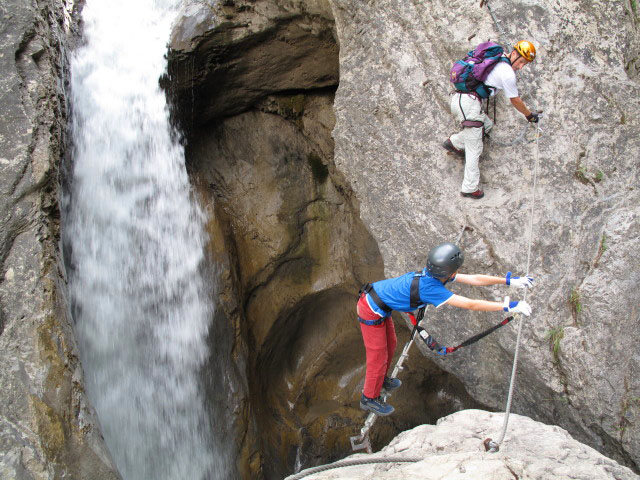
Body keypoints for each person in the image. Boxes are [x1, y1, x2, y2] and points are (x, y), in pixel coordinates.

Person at [357, 242, 533, 416]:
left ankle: (381, 380)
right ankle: (369, 398)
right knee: (378, 355)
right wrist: (507, 307)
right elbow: (470, 304)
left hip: (380, 301)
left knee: (392, 343)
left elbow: (475, 279)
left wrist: (511, 281)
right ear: (450, 270)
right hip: (371, 308)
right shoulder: (432, 288)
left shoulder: (436, 274)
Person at [443, 40, 539, 199]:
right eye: (521, 61)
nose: (521, 66)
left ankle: (455, 142)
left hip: (461, 100)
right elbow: (515, 100)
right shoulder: (507, 72)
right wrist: (529, 115)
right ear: (513, 53)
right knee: (475, 148)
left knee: (486, 125)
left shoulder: (497, 57)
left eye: (525, 64)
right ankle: (469, 187)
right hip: (469, 103)